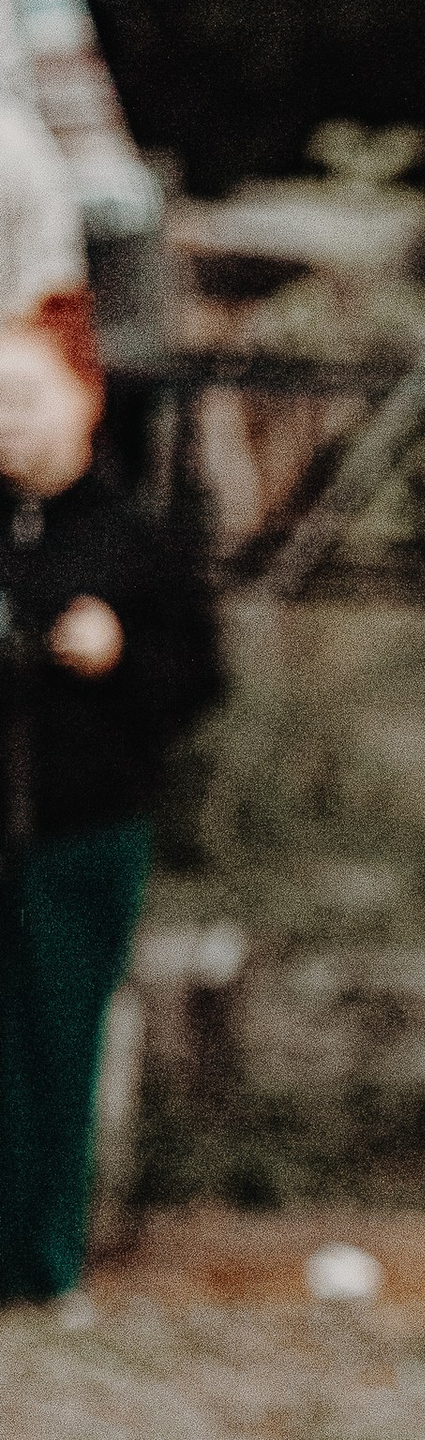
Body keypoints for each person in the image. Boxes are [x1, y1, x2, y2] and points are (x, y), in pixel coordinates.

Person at [0, 321, 223, 1308]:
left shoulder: (137, 542)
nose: (6, 424)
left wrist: (119, 654)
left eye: (24, 399)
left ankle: (41, 1263)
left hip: (79, 833)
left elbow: (200, 685)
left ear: (85, 401)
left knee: (56, 1045)